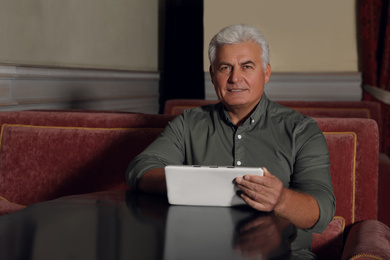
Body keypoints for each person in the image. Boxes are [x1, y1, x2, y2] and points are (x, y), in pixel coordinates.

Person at [127, 24, 335, 233]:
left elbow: (322, 210)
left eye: (247, 66)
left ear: (266, 72)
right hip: (201, 249)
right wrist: (190, 183)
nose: (235, 78)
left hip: (283, 254)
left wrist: (281, 200)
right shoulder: (188, 123)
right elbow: (141, 168)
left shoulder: (301, 130)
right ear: (212, 74)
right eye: (225, 67)